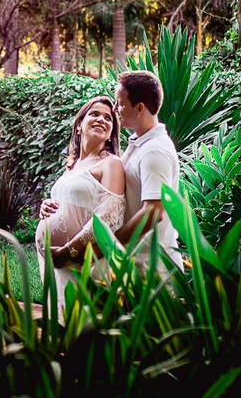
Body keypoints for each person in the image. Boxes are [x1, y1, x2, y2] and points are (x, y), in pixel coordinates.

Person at [35, 96, 126, 308]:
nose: (102, 120)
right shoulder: (74, 165)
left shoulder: (111, 163)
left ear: (112, 132)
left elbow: (110, 216)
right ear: (79, 125)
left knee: (81, 326)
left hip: (81, 262)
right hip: (55, 264)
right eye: (94, 114)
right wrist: (46, 206)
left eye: (108, 118)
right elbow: (70, 202)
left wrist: (68, 252)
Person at [113, 69, 183, 271]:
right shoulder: (140, 141)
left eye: (121, 103)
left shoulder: (155, 151)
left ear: (139, 108)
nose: (116, 108)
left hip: (154, 270)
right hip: (136, 265)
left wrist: (112, 242)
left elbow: (153, 212)